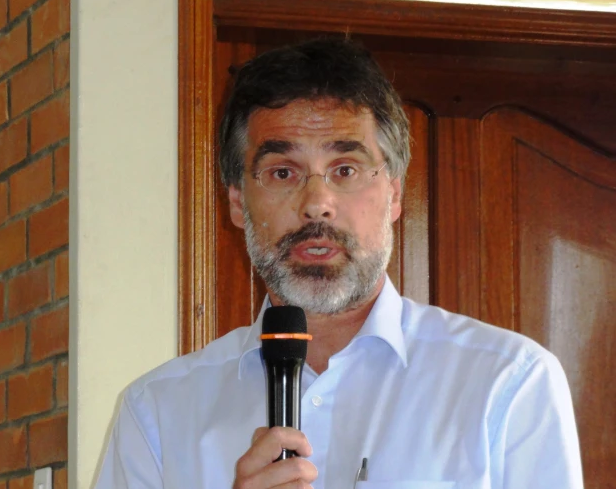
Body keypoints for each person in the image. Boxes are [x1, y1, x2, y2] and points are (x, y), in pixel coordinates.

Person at [93, 37, 583, 488]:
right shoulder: (157, 412)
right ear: (238, 203)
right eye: (283, 172)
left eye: (345, 169)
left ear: (393, 195)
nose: (317, 203)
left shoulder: (507, 384)